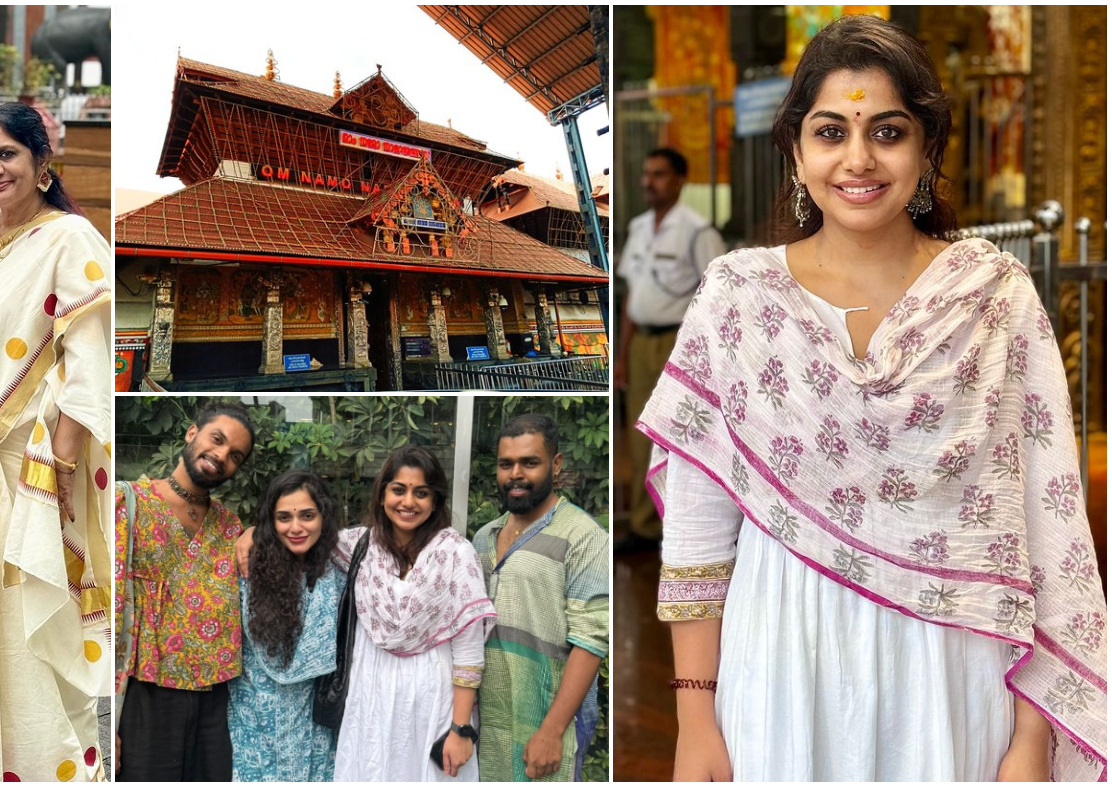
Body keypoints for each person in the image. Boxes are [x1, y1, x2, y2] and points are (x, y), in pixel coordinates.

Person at [642, 16, 1106, 782]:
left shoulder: (993, 299)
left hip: (951, 669)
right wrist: (696, 717)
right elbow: (696, 539)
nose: (858, 158)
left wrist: (1030, 738)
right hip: (784, 661)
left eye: (887, 131)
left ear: (926, 150)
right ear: (795, 151)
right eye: (831, 132)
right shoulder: (739, 300)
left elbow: (1044, 526)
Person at [0, 102, 112, 782]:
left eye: (5, 153)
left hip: (30, 468)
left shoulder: (69, 238)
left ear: (43, 163)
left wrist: (61, 461)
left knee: (32, 617)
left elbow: (87, 358)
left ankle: (49, 764)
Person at [331, 446, 495, 782]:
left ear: (435, 501)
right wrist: (252, 534)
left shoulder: (455, 554)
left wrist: (461, 729)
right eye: (398, 490)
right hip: (370, 698)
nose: (408, 502)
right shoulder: (360, 546)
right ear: (381, 495)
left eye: (421, 493)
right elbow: (298, 536)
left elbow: (468, 652)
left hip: (433, 703)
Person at [114, 401, 256, 781]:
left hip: (217, 700)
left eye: (235, 455)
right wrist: (109, 716)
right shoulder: (129, 503)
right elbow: (108, 608)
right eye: (217, 439)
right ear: (192, 433)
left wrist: (261, 530)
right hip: (147, 695)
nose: (221, 456)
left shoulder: (229, 525)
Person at [471, 414, 609, 781]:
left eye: (529, 463)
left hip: (545, 725)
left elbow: (591, 641)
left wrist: (551, 732)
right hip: (485, 725)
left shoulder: (584, 536)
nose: (515, 473)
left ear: (556, 464)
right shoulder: (483, 537)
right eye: (506, 464)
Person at [614, 147, 725, 552]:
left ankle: (679, 527)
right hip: (642, 341)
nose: (649, 182)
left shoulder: (698, 231)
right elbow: (630, 296)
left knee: (680, 435)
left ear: (680, 180)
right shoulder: (640, 227)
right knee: (641, 432)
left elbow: (717, 298)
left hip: (678, 344)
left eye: (658, 174)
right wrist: (621, 356)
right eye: (646, 173)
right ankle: (645, 526)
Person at [228, 469, 342, 782]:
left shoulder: (340, 574)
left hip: (316, 723)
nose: (296, 527)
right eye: (284, 518)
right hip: (254, 721)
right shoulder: (246, 571)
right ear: (270, 522)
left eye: (307, 515)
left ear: (323, 517)